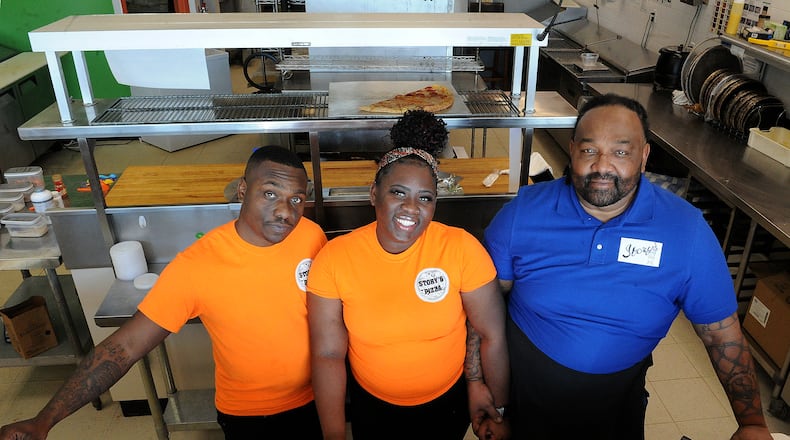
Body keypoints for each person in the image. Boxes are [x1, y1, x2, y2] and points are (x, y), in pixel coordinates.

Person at [483, 93, 772, 440]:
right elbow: (485, 310)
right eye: (589, 150)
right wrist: (487, 395)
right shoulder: (521, 215)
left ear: (644, 156)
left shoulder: (687, 231)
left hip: (617, 403)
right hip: (524, 397)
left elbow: (721, 335)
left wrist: (752, 423)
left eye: (621, 152)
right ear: (572, 149)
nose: (603, 166)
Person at [0, 145, 327, 440]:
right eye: (270, 193)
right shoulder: (197, 265)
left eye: (296, 198)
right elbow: (124, 346)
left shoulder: (311, 236)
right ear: (243, 191)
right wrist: (45, 420)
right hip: (252, 415)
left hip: (316, 397)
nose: (285, 211)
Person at [306, 147, 510, 440]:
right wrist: (334, 434)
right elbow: (327, 354)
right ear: (374, 194)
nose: (411, 208)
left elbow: (491, 333)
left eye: (424, 197)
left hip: (447, 405)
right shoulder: (334, 259)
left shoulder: (460, 248)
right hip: (373, 408)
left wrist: (495, 405)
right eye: (398, 193)